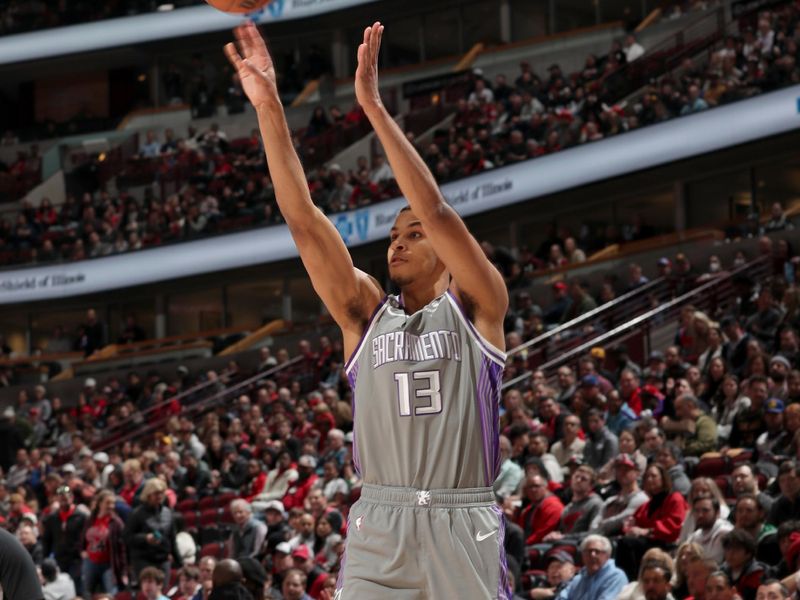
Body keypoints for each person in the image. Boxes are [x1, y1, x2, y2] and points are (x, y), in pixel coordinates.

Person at [225, 21, 510, 598]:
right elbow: (304, 221)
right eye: (393, 235)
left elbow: (436, 211)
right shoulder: (365, 315)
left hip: (463, 520)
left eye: (414, 235)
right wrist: (270, 108)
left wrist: (374, 107)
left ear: (451, 256)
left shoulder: (480, 305)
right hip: (380, 521)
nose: (399, 242)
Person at [124, 478, 182, 586]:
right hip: (143, 560)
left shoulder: (168, 513)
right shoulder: (136, 514)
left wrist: (180, 563)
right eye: (156, 493)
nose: (159, 496)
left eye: (161, 493)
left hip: (163, 559)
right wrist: (145, 538)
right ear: (148, 495)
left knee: (163, 591)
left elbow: (172, 539)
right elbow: (127, 537)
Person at [80, 489, 127, 596]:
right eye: (108, 503)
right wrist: (82, 551)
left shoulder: (116, 523)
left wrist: (124, 571)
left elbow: (122, 548)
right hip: (90, 561)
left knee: (111, 593)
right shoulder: (90, 519)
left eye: (113, 503)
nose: (111, 506)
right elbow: (83, 538)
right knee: (86, 592)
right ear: (100, 503)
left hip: (108, 564)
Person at [41, 485, 86, 592]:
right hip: (59, 558)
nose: (63, 501)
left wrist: (83, 551)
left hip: (76, 558)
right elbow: (47, 539)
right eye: (61, 498)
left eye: (66, 498)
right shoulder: (52, 518)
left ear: (71, 498)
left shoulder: (81, 516)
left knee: (76, 586)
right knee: (60, 588)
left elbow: (85, 537)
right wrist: (45, 557)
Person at [554, 534, 627, 600]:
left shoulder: (615, 576)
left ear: (607, 555)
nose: (592, 555)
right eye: (588, 551)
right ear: (582, 555)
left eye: (597, 551)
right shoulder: (579, 578)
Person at [0, 527, 45, 600]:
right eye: (21, 534)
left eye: (26, 534)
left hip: (26, 593)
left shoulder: (38, 549)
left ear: (34, 535)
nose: (23, 536)